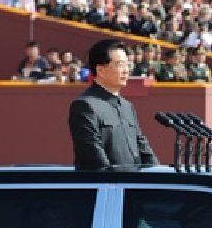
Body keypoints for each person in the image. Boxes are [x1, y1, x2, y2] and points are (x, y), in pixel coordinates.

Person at [68, 39, 159, 170]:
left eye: (127, 65)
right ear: (100, 70)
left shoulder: (127, 106)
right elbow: (95, 160)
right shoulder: (85, 106)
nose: (126, 71)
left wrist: (158, 175)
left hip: (132, 186)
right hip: (108, 187)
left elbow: (143, 149)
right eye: (120, 65)